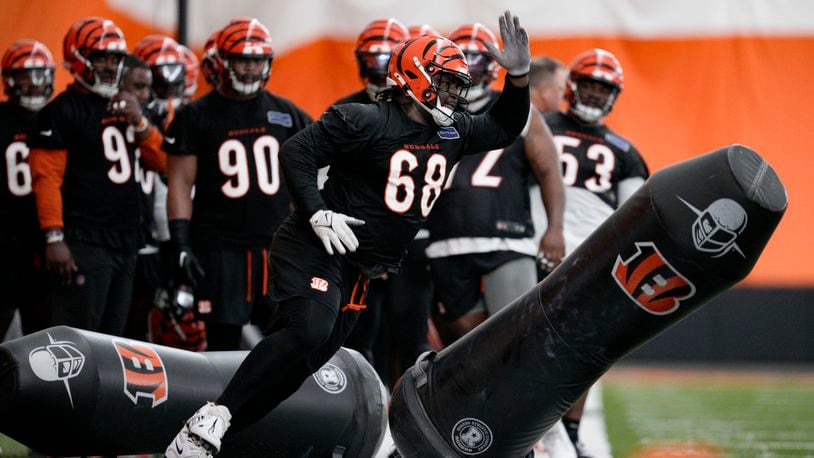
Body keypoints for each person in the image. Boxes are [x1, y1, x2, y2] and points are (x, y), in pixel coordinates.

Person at [166, 11, 532, 457]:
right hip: (314, 244)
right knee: (308, 331)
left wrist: (518, 77)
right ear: (416, 77)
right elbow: (296, 151)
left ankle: (212, 437)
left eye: (459, 84)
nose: (458, 94)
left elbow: (505, 127)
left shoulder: (452, 131)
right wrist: (318, 212)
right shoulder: (367, 119)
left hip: (359, 264)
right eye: (449, 82)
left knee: (301, 365)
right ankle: (214, 414)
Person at [163, 17, 312, 351]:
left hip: (275, 248)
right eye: (244, 60)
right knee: (222, 345)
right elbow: (179, 183)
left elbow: (311, 174)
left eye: (257, 60)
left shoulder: (287, 113)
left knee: (286, 339)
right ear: (223, 61)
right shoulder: (195, 115)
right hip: (220, 249)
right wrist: (182, 242)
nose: (250, 69)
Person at [425, 23, 565, 344]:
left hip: (506, 239)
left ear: (493, 64)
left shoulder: (516, 108)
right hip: (445, 239)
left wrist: (554, 227)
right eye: (464, 60)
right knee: (464, 347)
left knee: (516, 337)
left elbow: (548, 170)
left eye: (478, 60)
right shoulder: (429, 110)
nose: (471, 70)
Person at [29, 17, 167, 336]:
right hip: (85, 239)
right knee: (78, 336)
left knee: (114, 336)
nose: (108, 65)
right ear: (79, 57)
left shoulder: (126, 105)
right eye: (101, 57)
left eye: (115, 58)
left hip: (127, 238)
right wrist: (54, 236)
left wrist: (141, 124)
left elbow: (164, 164)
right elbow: (46, 179)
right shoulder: (61, 110)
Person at [542, 48, 649, 458]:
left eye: (602, 88)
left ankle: (568, 431)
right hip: (535, 250)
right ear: (571, 85)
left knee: (582, 353)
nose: (593, 94)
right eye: (587, 84)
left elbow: (635, 217)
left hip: (592, 261)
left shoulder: (626, 152)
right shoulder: (542, 128)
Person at [0, 39, 55, 339]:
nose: (35, 85)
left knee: (42, 332)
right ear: (9, 80)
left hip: (44, 235)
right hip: (6, 236)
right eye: (26, 77)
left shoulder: (58, 116)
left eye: (41, 76)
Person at [528, 55, 569, 280]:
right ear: (544, 90)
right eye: (561, 89)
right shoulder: (538, 125)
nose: (564, 98)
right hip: (517, 238)